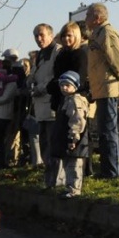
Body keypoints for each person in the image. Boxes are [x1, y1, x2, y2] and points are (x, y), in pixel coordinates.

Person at [85, 3, 119, 179]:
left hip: (109, 87)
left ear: (97, 18)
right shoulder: (96, 35)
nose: (85, 20)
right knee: (104, 131)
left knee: (108, 131)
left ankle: (112, 171)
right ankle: (108, 169)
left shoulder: (106, 33)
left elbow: (117, 59)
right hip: (101, 88)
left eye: (88, 16)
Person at [26, 24, 61, 185]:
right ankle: (49, 178)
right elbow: (35, 73)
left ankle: (57, 178)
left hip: (51, 104)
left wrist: (41, 88)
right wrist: (30, 80)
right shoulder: (40, 55)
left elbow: (56, 76)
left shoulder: (57, 51)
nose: (38, 39)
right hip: (40, 107)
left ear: (51, 35)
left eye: (41, 35)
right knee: (44, 143)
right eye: (35, 36)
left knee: (54, 142)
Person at [50, 71, 90, 199]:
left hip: (74, 139)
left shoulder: (75, 101)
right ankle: (69, 187)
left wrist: (74, 137)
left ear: (75, 86)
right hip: (65, 138)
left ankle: (74, 189)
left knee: (74, 166)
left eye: (67, 85)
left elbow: (77, 120)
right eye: (62, 85)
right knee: (67, 164)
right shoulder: (66, 100)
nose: (64, 88)